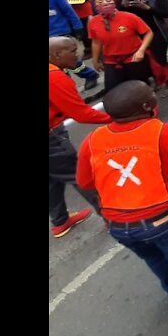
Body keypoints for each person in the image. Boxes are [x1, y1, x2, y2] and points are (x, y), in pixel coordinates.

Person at [76, 81, 168, 323]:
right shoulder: (166, 132)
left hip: (118, 224)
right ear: (147, 106)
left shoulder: (92, 140)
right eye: (152, 94)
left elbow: (85, 181)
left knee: (154, 257)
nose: (155, 96)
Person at [49, 37, 106, 237]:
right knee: (80, 175)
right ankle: (112, 217)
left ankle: (60, 221)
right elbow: (81, 114)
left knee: (52, 180)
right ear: (56, 55)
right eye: (73, 51)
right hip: (52, 138)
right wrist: (118, 115)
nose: (79, 55)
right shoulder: (55, 77)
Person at [120, 0, 168, 97]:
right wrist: (125, 6)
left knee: (159, 59)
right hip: (135, 32)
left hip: (156, 30)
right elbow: (120, 12)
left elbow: (166, 13)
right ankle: (156, 81)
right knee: (145, 60)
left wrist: (147, 8)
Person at [89, 0, 154, 92]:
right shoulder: (93, 22)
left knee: (140, 88)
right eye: (100, 2)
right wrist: (95, 60)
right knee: (113, 90)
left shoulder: (129, 17)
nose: (105, 4)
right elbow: (96, 42)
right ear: (95, 6)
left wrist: (141, 51)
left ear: (114, 3)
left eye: (107, 0)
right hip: (111, 61)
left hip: (133, 58)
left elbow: (148, 33)